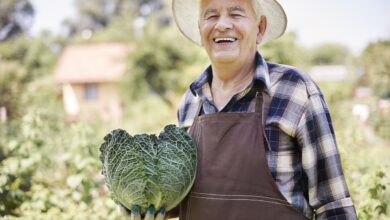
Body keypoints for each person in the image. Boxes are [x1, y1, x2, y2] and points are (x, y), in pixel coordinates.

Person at [121, 0, 358, 219]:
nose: (222, 24)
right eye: (211, 16)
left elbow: (333, 205)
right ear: (200, 29)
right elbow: (194, 198)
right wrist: (146, 202)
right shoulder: (190, 103)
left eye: (236, 13)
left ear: (260, 28)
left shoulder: (293, 90)